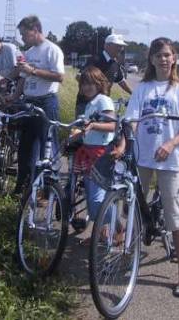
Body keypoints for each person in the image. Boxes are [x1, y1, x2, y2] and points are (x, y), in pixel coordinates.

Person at [119, 37, 179, 298]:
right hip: (142, 157)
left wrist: (172, 144)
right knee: (133, 207)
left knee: (175, 215)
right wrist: (128, 139)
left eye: (168, 55)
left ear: (174, 58)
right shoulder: (143, 88)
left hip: (169, 159)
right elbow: (131, 119)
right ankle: (128, 255)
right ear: (151, 59)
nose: (163, 59)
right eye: (158, 55)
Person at [11, 15, 65, 193]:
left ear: (35, 30)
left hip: (46, 102)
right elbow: (23, 79)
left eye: (24, 34)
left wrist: (32, 70)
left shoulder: (52, 50)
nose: (22, 38)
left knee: (48, 146)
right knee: (25, 146)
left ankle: (50, 189)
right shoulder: (29, 52)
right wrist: (14, 97)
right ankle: (24, 186)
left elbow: (59, 76)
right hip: (29, 102)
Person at [71, 66, 118, 243]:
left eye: (91, 83)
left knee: (97, 199)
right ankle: (101, 232)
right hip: (89, 151)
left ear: (99, 84)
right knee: (92, 197)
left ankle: (116, 228)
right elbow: (89, 128)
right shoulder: (91, 103)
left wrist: (92, 126)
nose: (87, 87)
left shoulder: (103, 100)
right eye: (84, 83)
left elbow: (112, 125)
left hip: (100, 153)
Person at [74, 33, 133, 117]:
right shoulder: (95, 59)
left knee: (101, 128)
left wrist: (133, 94)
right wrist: (93, 92)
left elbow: (121, 81)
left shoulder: (115, 63)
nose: (121, 49)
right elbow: (79, 76)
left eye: (121, 46)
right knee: (83, 128)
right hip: (86, 104)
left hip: (103, 105)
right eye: (118, 46)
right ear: (107, 46)